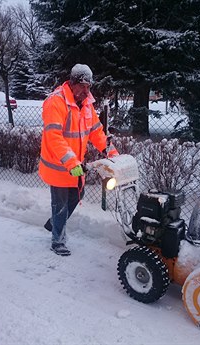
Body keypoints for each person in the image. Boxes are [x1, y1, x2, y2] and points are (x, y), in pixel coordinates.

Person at [39, 64, 118, 256]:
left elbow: (97, 132)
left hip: (75, 166)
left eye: (89, 86)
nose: (86, 91)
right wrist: (71, 162)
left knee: (77, 196)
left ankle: (54, 224)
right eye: (82, 86)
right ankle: (58, 241)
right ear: (72, 83)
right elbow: (54, 137)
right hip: (59, 165)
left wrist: (112, 153)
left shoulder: (87, 104)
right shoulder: (56, 102)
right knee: (60, 204)